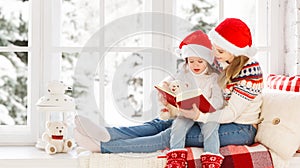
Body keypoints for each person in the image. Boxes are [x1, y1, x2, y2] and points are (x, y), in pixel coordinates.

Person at [74, 18, 263, 168]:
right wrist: (169, 90)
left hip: (240, 128)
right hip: (214, 115)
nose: (215, 54)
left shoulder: (249, 73)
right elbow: (192, 70)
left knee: (169, 134)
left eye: (220, 50)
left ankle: (103, 147)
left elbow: (231, 113)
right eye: (215, 48)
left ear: (236, 52)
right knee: (159, 122)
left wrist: (199, 115)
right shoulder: (223, 60)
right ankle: (106, 133)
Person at [164, 30, 224, 168]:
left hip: (205, 112)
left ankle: (211, 159)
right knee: (178, 126)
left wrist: (207, 107)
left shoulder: (213, 77)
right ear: (186, 61)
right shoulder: (184, 72)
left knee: (211, 127)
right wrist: (165, 86)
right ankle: (176, 158)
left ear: (207, 62)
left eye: (199, 61)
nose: (195, 65)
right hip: (187, 111)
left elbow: (218, 99)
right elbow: (170, 80)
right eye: (191, 61)